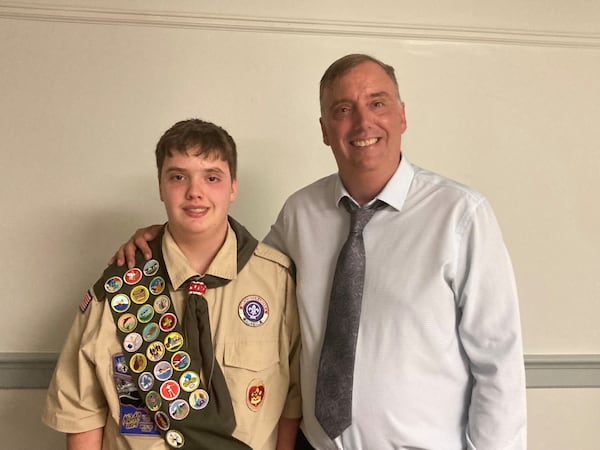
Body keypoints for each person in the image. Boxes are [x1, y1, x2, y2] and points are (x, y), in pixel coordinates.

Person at [114, 54, 527, 449]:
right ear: (325, 129)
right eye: (343, 109)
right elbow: (242, 272)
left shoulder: (460, 215)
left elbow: (498, 364)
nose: (363, 121)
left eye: (377, 103)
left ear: (401, 115)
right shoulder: (300, 212)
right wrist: (172, 233)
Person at [43, 119, 302, 450]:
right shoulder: (121, 286)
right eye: (178, 177)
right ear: (161, 187)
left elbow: (291, 402)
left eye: (212, 177)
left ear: (233, 187)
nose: (195, 191)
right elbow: (81, 413)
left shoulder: (276, 281)